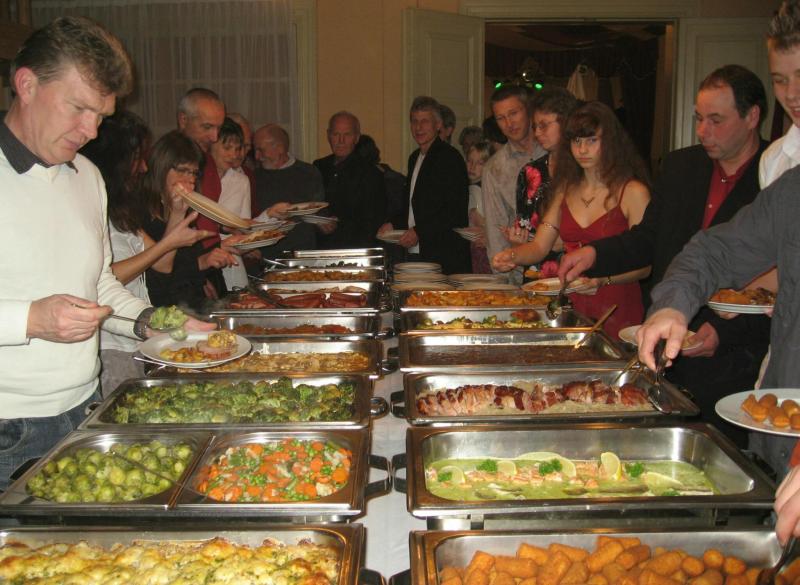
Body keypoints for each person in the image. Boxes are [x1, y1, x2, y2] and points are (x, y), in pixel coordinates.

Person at [0, 16, 208, 491]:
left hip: (87, 407)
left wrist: (149, 321)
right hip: (8, 427)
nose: (91, 130)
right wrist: (30, 319)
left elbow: (98, 282)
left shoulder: (87, 176)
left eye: (101, 115)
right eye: (79, 108)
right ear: (27, 85)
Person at [558, 65, 771, 448]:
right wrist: (594, 253)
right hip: (667, 344)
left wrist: (723, 332)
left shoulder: (776, 175)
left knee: (721, 452)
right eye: (698, 118)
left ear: (752, 116)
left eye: (716, 120)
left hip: (737, 358)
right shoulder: (681, 166)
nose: (702, 131)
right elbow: (648, 238)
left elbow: (778, 278)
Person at [494, 102, 651, 339]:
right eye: (577, 141)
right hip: (572, 307)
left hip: (617, 307)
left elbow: (645, 266)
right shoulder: (565, 189)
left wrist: (603, 280)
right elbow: (540, 246)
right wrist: (512, 255)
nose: (582, 149)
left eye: (592, 140)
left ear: (610, 141)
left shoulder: (633, 191)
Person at [80, 111, 211, 396]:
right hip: (109, 342)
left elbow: (162, 264)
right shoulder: (91, 208)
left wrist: (177, 213)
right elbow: (103, 278)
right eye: (136, 158)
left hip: (135, 335)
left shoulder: (121, 211)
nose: (142, 167)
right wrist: (168, 243)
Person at [142, 131, 240, 311]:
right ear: (161, 167)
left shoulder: (180, 205)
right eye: (182, 171)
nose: (190, 180)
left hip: (190, 302)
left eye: (194, 173)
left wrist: (209, 263)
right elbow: (156, 276)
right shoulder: (142, 212)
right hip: (165, 310)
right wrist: (201, 264)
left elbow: (188, 261)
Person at [378, 95, 470, 273]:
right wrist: (393, 224)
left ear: (438, 125)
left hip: (444, 253)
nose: (418, 127)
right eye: (414, 121)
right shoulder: (414, 158)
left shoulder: (450, 158)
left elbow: (454, 211)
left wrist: (419, 231)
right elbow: (413, 207)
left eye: (425, 121)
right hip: (418, 250)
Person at [507, 87, 579, 280]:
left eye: (544, 125)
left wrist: (564, 241)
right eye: (535, 126)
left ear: (566, 123)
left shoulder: (584, 171)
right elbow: (524, 230)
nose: (537, 132)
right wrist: (516, 245)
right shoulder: (530, 172)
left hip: (576, 277)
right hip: (536, 277)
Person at [482, 85, 546, 285]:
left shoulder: (555, 153)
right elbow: (495, 231)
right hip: (521, 273)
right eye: (501, 118)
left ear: (529, 110)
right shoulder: (494, 168)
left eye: (513, 113)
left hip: (566, 266)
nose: (509, 123)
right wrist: (502, 282)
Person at [313, 111, 387, 249]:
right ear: (328, 135)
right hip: (320, 248)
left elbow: (373, 222)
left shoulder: (370, 173)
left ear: (356, 138)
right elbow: (310, 205)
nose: (341, 140)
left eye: (347, 134)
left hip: (355, 250)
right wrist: (319, 220)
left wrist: (337, 225)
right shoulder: (318, 167)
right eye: (336, 134)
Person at [252, 123, 324, 255]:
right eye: (255, 150)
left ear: (280, 148)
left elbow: (318, 211)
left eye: (260, 150)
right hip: (263, 254)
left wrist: (323, 223)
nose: (256, 156)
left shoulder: (308, 173)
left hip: (301, 252)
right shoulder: (253, 177)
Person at [210, 116, 251, 289]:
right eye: (227, 148)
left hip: (232, 264)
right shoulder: (195, 178)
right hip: (204, 263)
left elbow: (244, 227)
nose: (234, 155)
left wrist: (246, 242)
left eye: (237, 148)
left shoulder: (242, 181)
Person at [465, 141, 492, 273]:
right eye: (469, 161)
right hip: (473, 247)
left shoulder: (488, 190)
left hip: (485, 250)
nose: (472, 166)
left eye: (480, 163)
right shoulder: (469, 187)